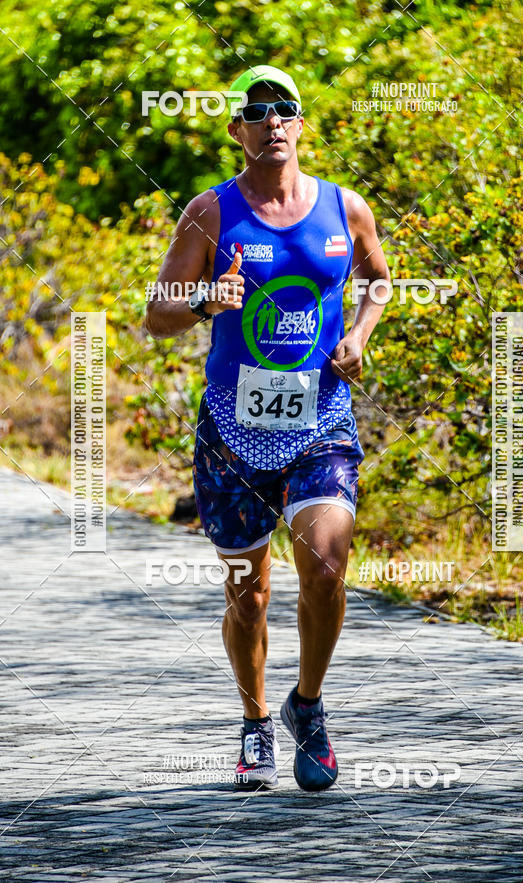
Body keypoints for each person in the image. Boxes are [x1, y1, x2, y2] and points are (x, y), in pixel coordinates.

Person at [145, 64, 389, 792]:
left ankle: (306, 707)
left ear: (302, 125)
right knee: (247, 594)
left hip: (321, 418)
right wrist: (202, 302)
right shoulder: (210, 212)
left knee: (324, 568)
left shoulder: (347, 208)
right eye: (257, 113)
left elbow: (378, 279)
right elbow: (155, 313)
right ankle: (255, 720)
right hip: (232, 427)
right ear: (237, 132)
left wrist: (361, 333)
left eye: (285, 109)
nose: (273, 121)